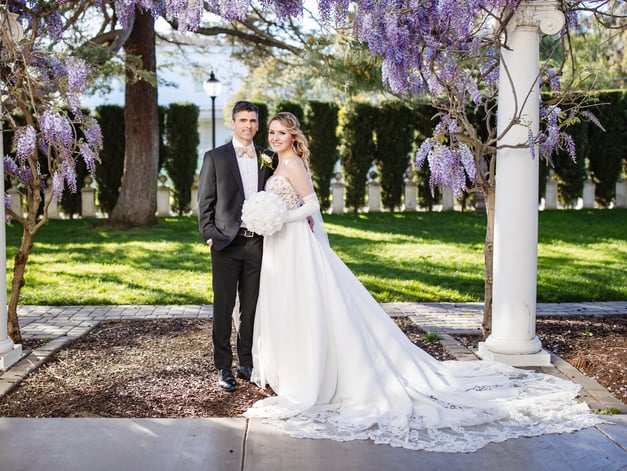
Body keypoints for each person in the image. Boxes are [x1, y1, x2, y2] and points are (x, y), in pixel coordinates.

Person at [243, 112, 601, 452]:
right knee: (287, 305)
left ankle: (311, 374)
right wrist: (267, 218)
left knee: (305, 305)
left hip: (295, 244)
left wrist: (281, 217)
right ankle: (293, 371)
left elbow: (312, 206)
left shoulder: (292, 164)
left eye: (280, 132)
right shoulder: (277, 163)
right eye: (271, 133)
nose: (274, 138)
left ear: (294, 136)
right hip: (281, 246)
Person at [197, 101, 275, 392]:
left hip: (258, 242)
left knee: (251, 306)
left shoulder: (268, 157)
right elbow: (205, 203)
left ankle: (246, 362)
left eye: (253, 121)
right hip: (226, 244)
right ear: (233, 123)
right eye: (243, 120)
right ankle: (223, 366)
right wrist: (211, 235)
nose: (248, 126)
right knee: (223, 306)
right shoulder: (215, 157)